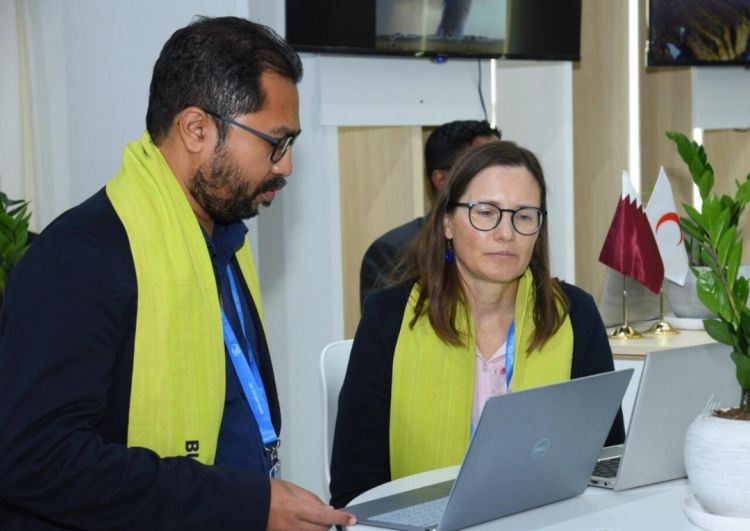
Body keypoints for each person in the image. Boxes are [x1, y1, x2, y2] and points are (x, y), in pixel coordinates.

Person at [0, 16, 354, 531]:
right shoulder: (78, 258)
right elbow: (33, 458)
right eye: (275, 143)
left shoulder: (223, 242)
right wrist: (240, 503)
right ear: (196, 129)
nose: (286, 166)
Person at [331, 141, 625, 508]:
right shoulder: (388, 318)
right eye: (486, 213)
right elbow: (355, 488)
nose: (506, 233)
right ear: (447, 223)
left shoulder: (574, 315)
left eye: (524, 216)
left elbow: (605, 460)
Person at [359, 120, 501, 309]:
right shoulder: (393, 253)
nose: (501, 179)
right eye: (484, 170)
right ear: (441, 179)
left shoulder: (512, 241)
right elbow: (388, 333)